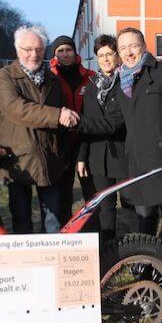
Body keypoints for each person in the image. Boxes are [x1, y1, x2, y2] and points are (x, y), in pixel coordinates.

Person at [62, 27, 162, 265]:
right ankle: (150, 271)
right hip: (139, 166)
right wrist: (77, 124)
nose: (128, 52)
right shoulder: (123, 81)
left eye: (132, 46)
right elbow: (115, 120)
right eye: (123, 48)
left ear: (143, 45)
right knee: (145, 225)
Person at [0, 24, 78, 233]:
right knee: (22, 221)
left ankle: (53, 263)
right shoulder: (5, 76)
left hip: (48, 159)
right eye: (28, 49)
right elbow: (17, 109)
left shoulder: (52, 79)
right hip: (18, 159)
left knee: (53, 222)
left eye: (39, 49)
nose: (34, 54)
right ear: (17, 50)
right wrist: (57, 115)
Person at [76, 34, 134, 244]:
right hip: (98, 157)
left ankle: (135, 249)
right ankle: (108, 250)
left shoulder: (127, 83)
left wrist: (77, 122)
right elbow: (88, 126)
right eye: (101, 55)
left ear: (117, 55)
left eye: (109, 53)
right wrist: (81, 156)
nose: (106, 59)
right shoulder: (91, 87)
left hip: (123, 155)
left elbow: (115, 122)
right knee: (104, 207)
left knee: (130, 205)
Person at [49, 35, 96, 223]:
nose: (65, 54)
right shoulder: (50, 77)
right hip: (61, 143)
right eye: (60, 51)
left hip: (86, 140)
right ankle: (66, 228)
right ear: (54, 54)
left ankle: (95, 227)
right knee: (63, 192)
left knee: (90, 190)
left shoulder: (90, 77)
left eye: (68, 49)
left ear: (75, 52)